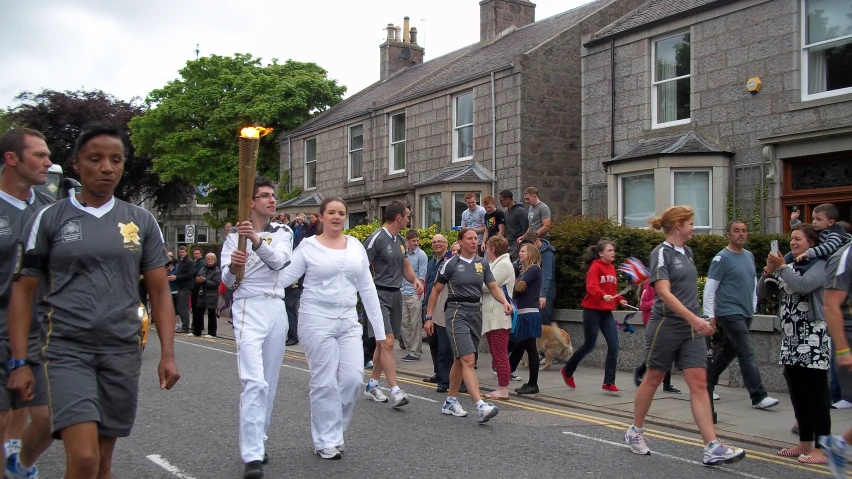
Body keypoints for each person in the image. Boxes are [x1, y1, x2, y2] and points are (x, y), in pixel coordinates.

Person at [7, 122, 180, 479]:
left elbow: (160, 291)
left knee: (102, 464)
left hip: (121, 350)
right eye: (96, 159)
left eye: (116, 160)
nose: (107, 168)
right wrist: (19, 361)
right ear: (75, 164)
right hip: (67, 350)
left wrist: (167, 353)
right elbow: (23, 293)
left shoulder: (141, 221)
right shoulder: (49, 218)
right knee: (83, 459)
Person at [624, 206, 745, 466]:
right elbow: (665, 293)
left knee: (699, 384)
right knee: (654, 377)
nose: (693, 227)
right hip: (666, 325)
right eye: (690, 222)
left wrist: (704, 316)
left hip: (692, 328)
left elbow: (689, 292)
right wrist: (694, 319)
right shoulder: (661, 253)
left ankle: (712, 446)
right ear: (677, 225)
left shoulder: (687, 252)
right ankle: (635, 431)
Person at [274, 198, 387, 459]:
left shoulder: (356, 246)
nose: (337, 217)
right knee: (324, 382)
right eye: (332, 213)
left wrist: (381, 334)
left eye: (342, 213)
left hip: (348, 321)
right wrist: (250, 283)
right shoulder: (308, 247)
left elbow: (367, 289)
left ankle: (334, 431)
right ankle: (326, 439)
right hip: (316, 319)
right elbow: (284, 278)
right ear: (321, 217)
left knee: (351, 379)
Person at [220, 176, 293, 479]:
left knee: (270, 381)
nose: (271, 200)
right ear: (251, 202)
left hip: (275, 306)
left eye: (273, 195)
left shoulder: (283, 232)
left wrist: (254, 242)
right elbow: (226, 282)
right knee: (254, 381)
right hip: (248, 305)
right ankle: (251, 455)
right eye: (264, 196)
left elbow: (279, 263)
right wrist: (231, 265)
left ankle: (259, 438)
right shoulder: (233, 235)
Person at [0, 128, 55, 479]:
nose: (48, 163)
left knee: (52, 420)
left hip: (37, 332)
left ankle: (20, 466)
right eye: (39, 155)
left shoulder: (48, 212)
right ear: (11, 159)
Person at [757, 224, 829, 464]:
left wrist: (783, 267)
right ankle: (804, 442)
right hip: (790, 338)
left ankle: (822, 447)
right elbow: (762, 294)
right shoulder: (788, 265)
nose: (793, 243)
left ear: (811, 242)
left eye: (798, 239)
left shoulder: (820, 264)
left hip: (813, 338)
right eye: (792, 239)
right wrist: (768, 271)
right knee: (797, 393)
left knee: (815, 394)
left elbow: (803, 285)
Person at [425, 228, 513, 423]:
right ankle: (480, 405)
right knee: (468, 359)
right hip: (456, 311)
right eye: (470, 238)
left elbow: (492, 287)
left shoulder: (482, 264)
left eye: (476, 238)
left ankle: (450, 401)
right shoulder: (451, 264)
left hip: (476, 312)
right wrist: (429, 316)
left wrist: (504, 302)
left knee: (460, 359)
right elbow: (435, 290)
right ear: (461, 242)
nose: (474, 242)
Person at [704, 221, 779, 409]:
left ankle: (706, 385)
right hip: (729, 311)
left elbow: (752, 282)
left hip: (745, 311)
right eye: (736, 231)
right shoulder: (721, 258)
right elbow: (710, 288)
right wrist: (709, 315)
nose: (741, 234)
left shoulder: (749, 256)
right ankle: (758, 396)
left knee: (730, 351)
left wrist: (753, 305)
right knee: (746, 351)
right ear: (728, 235)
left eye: (744, 231)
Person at [362, 201, 422, 409]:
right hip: (378, 294)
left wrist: (414, 280)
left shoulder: (401, 240)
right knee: (386, 342)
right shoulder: (377, 238)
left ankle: (372, 385)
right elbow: (361, 264)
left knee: (384, 344)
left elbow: (404, 264)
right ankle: (395, 390)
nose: (408, 219)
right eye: (407, 216)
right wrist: (366, 289)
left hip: (395, 294)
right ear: (398, 217)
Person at [561, 238, 626, 394]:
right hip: (592, 311)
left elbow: (613, 290)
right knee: (589, 345)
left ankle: (609, 382)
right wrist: (602, 295)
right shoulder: (595, 267)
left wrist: (619, 299)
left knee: (614, 345)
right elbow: (592, 287)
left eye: (613, 250)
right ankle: (568, 370)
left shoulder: (612, 268)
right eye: (610, 250)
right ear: (601, 253)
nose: (613, 253)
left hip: (606, 312)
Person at [821, 243, 852, 478]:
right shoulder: (845, 255)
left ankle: (840, 445)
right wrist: (842, 350)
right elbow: (830, 304)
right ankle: (839, 445)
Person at [481, 236, 515, 399]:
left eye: (488, 247)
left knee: (500, 354)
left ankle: (503, 389)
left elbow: (486, 285)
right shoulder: (498, 264)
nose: (486, 250)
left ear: (493, 249)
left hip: (498, 317)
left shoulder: (503, 265)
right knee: (497, 354)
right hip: (493, 317)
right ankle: (501, 387)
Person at [632, 280, 681, 394]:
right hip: (652, 321)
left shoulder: (669, 282)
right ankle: (643, 371)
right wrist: (658, 300)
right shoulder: (649, 283)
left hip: (666, 320)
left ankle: (664, 382)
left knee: (666, 351)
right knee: (664, 351)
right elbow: (643, 305)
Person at [508, 243, 543, 395]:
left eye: (523, 251)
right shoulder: (525, 271)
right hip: (523, 312)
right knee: (520, 345)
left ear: (531, 254)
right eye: (520, 251)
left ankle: (533, 384)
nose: (520, 253)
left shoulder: (534, 269)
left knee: (530, 348)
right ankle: (507, 371)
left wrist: (515, 286)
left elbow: (517, 289)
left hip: (529, 313)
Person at [422, 234, 452, 391]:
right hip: (429, 305)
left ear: (446, 244)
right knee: (432, 343)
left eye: (440, 241)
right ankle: (437, 372)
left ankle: (444, 377)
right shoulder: (431, 262)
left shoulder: (448, 262)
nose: (436, 244)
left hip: (441, 308)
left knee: (443, 345)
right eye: (434, 242)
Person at [400, 229, 427, 362]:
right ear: (407, 241)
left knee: (416, 324)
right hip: (402, 292)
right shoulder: (402, 253)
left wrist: (419, 292)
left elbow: (422, 276)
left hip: (414, 294)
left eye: (417, 240)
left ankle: (415, 352)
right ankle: (411, 348)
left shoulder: (421, 255)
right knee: (403, 323)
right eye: (413, 241)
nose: (416, 243)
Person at [193, 253, 221, 338]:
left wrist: (205, 281)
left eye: (212, 259)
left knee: (211, 314)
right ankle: (197, 331)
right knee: (199, 313)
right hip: (202, 294)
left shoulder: (217, 271)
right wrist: (198, 281)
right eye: (208, 259)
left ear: (215, 260)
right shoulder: (203, 269)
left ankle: (212, 333)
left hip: (211, 295)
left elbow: (216, 283)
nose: (210, 261)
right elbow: (196, 279)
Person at [498, 189, 528, 261]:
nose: (500, 203)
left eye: (501, 200)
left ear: (508, 199)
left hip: (517, 244)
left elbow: (525, 227)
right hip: (509, 243)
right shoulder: (506, 213)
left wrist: (521, 243)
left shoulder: (520, 211)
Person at [174, 245, 194, 334]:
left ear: (186, 252)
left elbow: (189, 275)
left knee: (183, 307)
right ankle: (184, 326)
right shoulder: (181, 261)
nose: (181, 254)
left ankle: (185, 327)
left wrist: (176, 278)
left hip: (186, 286)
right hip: (181, 286)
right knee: (179, 307)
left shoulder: (189, 262)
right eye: (180, 252)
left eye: (183, 252)